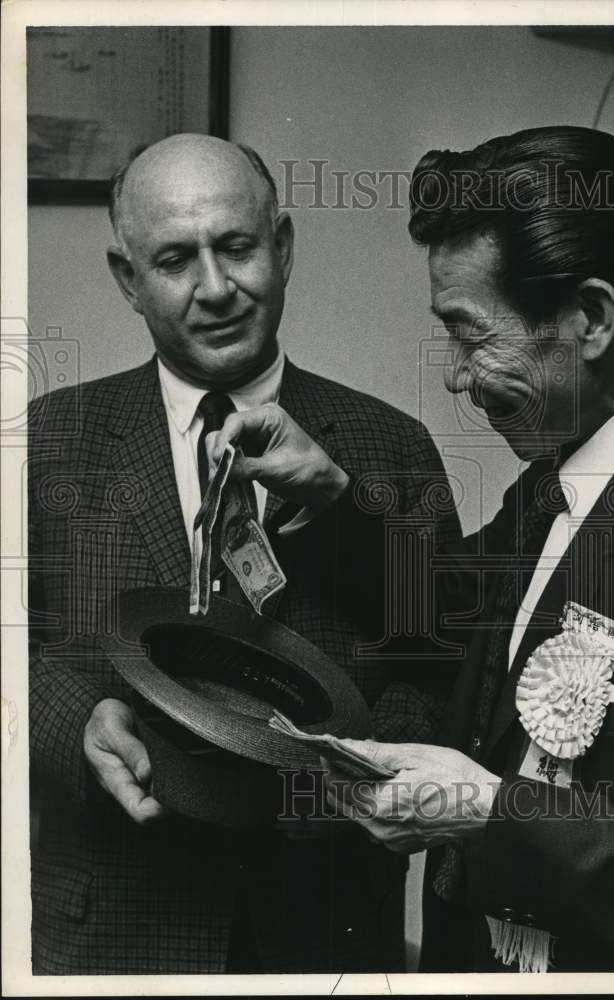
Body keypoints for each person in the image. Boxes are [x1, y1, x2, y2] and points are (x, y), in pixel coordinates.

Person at [214, 126, 614, 972]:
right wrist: (328, 491)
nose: (454, 376)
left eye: (473, 337)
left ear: (589, 317)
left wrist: (485, 809)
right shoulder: (562, 471)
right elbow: (449, 611)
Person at [27, 133, 461, 974]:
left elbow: (442, 661)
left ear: (284, 247)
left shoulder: (390, 443)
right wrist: (75, 726)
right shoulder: (48, 441)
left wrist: (345, 778)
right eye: (175, 259)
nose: (216, 288)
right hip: (114, 934)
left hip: (324, 928)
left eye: (237, 247)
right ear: (128, 279)